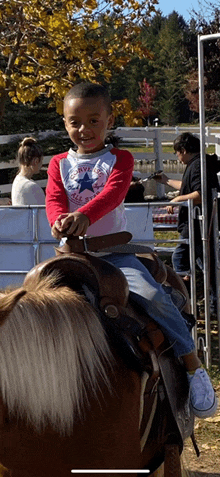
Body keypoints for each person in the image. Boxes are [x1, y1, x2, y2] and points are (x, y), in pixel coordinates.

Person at [46, 82, 217, 419]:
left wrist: (84, 215)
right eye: (75, 122)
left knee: (152, 296)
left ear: (109, 121)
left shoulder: (119, 159)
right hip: (71, 255)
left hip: (114, 254)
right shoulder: (57, 164)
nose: (84, 130)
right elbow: (54, 199)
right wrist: (57, 221)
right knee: (33, 299)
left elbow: (113, 192)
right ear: (65, 123)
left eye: (94, 121)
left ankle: (192, 364)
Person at [153, 132, 219, 310]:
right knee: (207, 265)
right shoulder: (199, 164)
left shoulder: (198, 166)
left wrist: (176, 200)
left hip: (197, 225)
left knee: (181, 258)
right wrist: (166, 181)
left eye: (177, 152)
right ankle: (209, 303)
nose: (177, 156)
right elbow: (187, 186)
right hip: (197, 224)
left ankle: (183, 297)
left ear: (183, 150)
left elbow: (200, 194)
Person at [11, 137, 45, 206]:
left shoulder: (17, 180)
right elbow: (44, 213)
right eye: (41, 161)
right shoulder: (32, 187)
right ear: (36, 161)